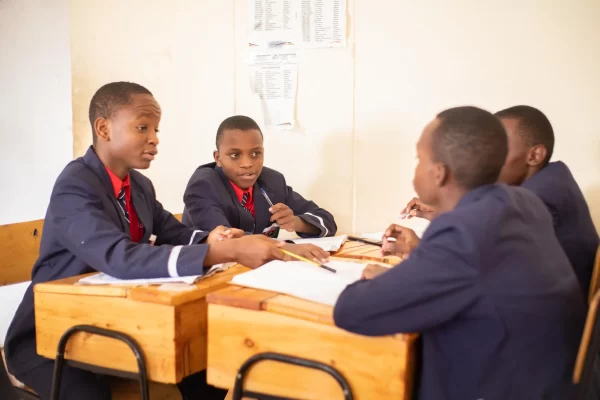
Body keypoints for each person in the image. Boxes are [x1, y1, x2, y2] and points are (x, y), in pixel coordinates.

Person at [4, 82, 284, 400]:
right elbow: (119, 257)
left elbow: (173, 231)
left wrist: (213, 236)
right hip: (53, 336)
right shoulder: (75, 186)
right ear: (103, 128)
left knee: (203, 367)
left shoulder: (139, 186)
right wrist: (223, 250)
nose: (154, 138)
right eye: (142, 127)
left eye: (156, 129)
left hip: (117, 321)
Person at [334, 106, 586, 400]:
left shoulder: (463, 234)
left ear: (439, 173)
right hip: (545, 380)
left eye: (419, 159)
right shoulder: (520, 202)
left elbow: (352, 311)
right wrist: (406, 277)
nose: (415, 168)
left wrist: (386, 283)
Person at [403, 105, 598, 296]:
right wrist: (442, 215)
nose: (488, 159)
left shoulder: (538, 197)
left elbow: (473, 267)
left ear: (535, 155)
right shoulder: (552, 180)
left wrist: (419, 248)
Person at [182, 115, 336, 262]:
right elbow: (225, 240)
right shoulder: (203, 186)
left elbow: (327, 220)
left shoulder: (272, 181)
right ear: (218, 158)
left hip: (260, 270)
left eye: (255, 153)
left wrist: (296, 222)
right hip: (211, 275)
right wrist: (286, 249)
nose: (247, 163)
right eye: (235, 155)